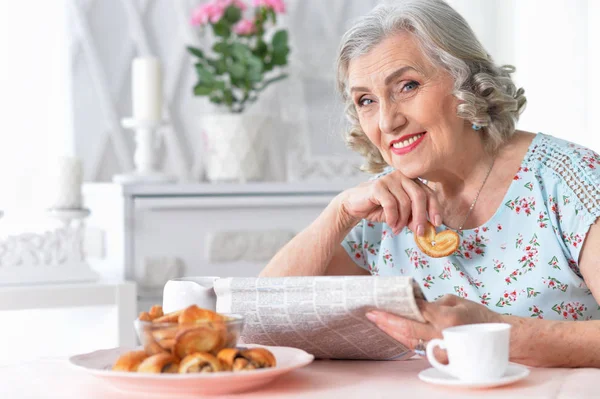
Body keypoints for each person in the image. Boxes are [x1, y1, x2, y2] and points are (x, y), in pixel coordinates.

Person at [259, 0, 600, 367]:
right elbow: (263, 320)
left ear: (466, 82)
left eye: (407, 86)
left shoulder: (567, 178)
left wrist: (490, 332)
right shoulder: (384, 207)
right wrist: (337, 212)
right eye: (366, 100)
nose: (387, 121)